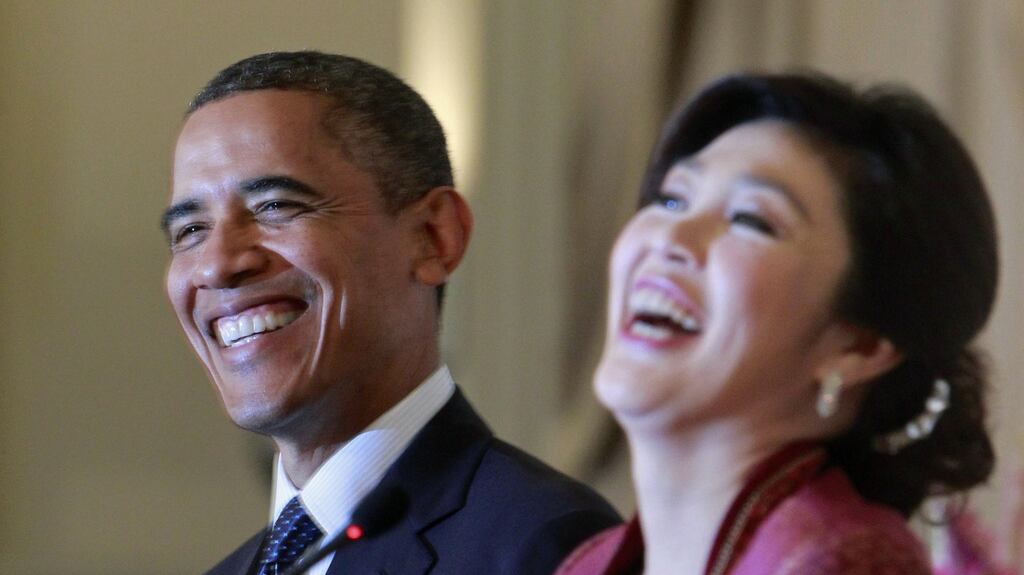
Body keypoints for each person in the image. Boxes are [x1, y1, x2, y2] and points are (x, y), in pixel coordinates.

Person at [161, 51, 620, 575]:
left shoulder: (548, 545)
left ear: (433, 238)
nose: (218, 265)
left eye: (275, 206)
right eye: (190, 231)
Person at [556, 72, 998, 574]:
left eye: (751, 219)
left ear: (861, 344)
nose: (672, 235)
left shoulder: (843, 562)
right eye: (673, 198)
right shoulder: (586, 565)